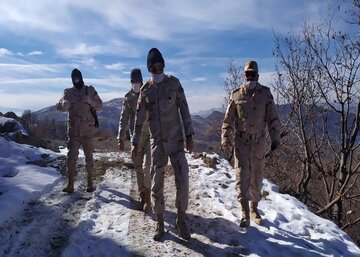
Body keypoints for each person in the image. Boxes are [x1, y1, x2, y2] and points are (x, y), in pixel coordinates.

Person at [132, 48, 195, 241]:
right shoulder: (145, 91)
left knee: (182, 181)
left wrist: (190, 135)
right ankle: (159, 223)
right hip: (157, 144)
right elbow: (139, 119)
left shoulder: (174, 85)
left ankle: (181, 220)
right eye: (153, 67)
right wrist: (135, 143)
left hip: (176, 142)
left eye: (160, 67)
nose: (157, 70)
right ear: (149, 68)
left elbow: (184, 110)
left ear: (164, 66)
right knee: (156, 185)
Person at [221, 60, 280, 227]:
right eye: (247, 73)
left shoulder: (265, 94)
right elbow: (227, 121)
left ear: (258, 75)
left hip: (259, 142)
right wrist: (225, 138)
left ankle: (254, 209)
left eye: (253, 73)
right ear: (244, 74)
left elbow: (273, 118)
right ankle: (244, 211)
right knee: (242, 177)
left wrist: (276, 138)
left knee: (257, 177)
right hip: (241, 143)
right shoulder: (236, 95)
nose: (250, 76)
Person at [57, 68, 103, 193]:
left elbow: (100, 105)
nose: (76, 80)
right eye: (74, 79)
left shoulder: (90, 90)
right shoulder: (68, 92)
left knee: (89, 158)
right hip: (73, 132)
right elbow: (59, 105)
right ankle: (70, 183)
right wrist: (63, 104)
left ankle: (90, 182)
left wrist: (91, 101)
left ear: (81, 78)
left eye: (78, 78)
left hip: (87, 131)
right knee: (71, 158)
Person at [117, 68, 152, 213]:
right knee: (138, 168)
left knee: (147, 167)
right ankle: (143, 196)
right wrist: (120, 138)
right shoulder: (128, 98)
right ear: (131, 81)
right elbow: (123, 119)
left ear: (141, 80)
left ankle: (149, 198)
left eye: (138, 81)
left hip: (150, 136)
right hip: (135, 137)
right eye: (133, 81)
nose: (136, 83)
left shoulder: (149, 92)